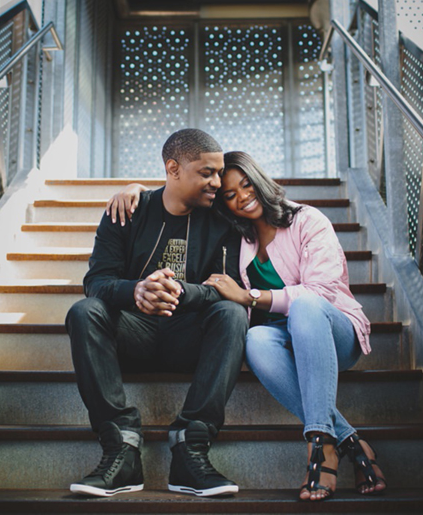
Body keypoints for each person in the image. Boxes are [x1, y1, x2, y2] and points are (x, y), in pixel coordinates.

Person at [65, 129, 246, 498]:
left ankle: (191, 448)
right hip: (133, 333)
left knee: (232, 314)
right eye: (206, 173)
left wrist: (178, 291)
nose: (217, 182)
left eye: (218, 172)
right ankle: (122, 449)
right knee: (84, 313)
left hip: (189, 337)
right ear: (173, 169)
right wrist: (136, 291)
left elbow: (221, 287)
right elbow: (96, 281)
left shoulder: (223, 221)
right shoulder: (127, 211)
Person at [203, 151, 386, 501]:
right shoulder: (239, 239)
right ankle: (345, 440)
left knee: (304, 306)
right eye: (230, 194)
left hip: (334, 333)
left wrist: (249, 296)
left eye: (246, 184)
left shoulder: (307, 220)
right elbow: (184, 203)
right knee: (255, 338)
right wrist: (134, 189)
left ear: (259, 179)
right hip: (284, 341)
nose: (242, 196)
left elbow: (318, 292)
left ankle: (318, 446)